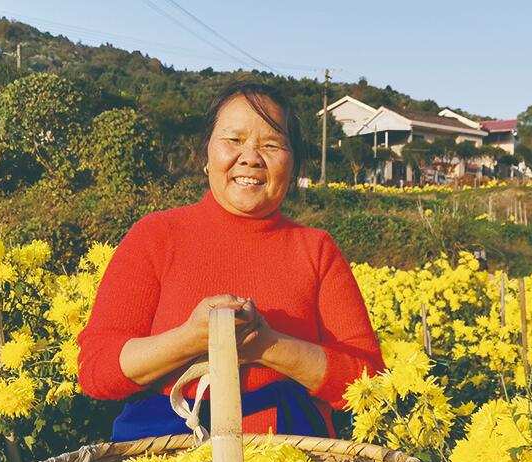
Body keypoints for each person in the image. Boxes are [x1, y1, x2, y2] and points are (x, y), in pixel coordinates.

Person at [77, 81, 385, 442]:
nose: (251, 157)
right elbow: (96, 371)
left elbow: (370, 387)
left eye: (272, 144)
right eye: (234, 140)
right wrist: (192, 338)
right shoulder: (156, 236)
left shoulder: (316, 250)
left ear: (293, 163)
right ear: (206, 156)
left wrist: (266, 345)